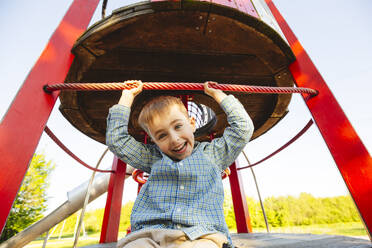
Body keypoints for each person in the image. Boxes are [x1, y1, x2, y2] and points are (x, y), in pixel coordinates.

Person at [106, 80, 254, 248]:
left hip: (200, 234)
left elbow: (243, 129)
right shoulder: (153, 158)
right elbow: (117, 141)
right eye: (162, 136)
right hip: (152, 234)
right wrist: (127, 96)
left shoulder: (213, 154)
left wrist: (218, 95)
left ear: (192, 124)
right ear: (153, 141)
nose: (174, 139)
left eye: (178, 126)